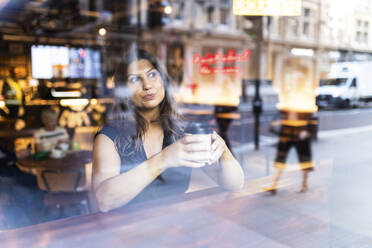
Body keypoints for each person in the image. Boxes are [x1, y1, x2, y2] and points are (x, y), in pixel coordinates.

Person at [93, 48, 244, 212]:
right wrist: (164, 159)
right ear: (124, 91)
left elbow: (234, 184)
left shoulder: (183, 131)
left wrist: (224, 152)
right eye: (135, 79)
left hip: (175, 228)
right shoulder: (109, 138)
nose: (147, 85)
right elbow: (104, 201)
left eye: (152, 75)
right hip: (126, 232)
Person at [266, 111, 315, 194]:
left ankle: (304, 184)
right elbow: (280, 115)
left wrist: (307, 132)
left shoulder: (304, 104)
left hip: (300, 133)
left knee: (304, 160)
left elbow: (311, 118)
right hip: (287, 133)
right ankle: (274, 185)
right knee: (280, 160)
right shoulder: (287, 104)